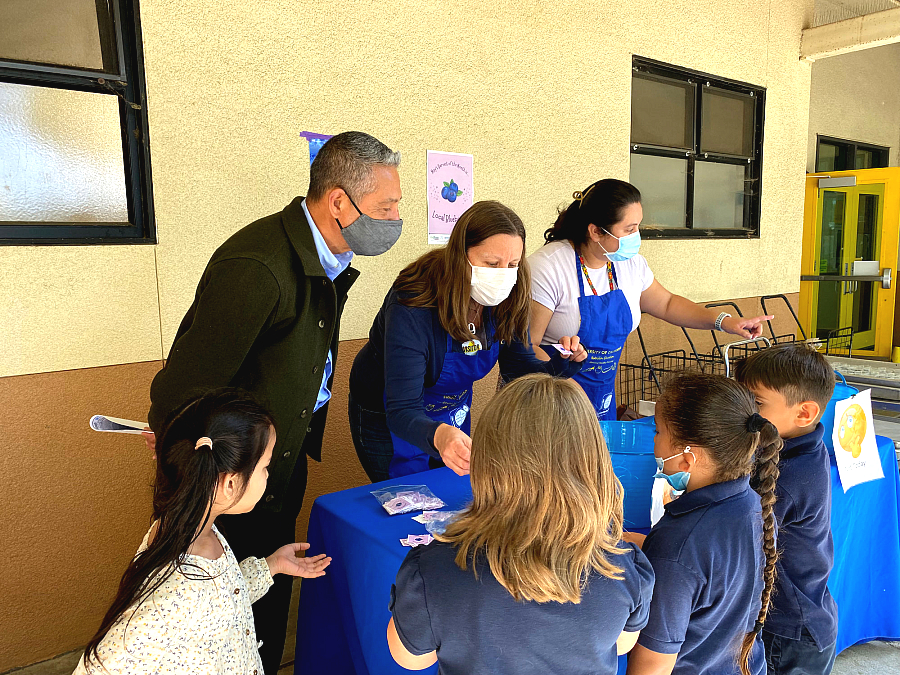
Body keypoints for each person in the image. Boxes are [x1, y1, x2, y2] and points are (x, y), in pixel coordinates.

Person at [144, 131, 402, 674]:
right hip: (228, 480)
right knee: (221, 619)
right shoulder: (259, 265)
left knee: (265, 597)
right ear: (339, 201)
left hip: (273, 468)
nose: (396, 217)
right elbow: (184, 387)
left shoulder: (324, 258)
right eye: (387, 206)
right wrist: (209, 475)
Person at [386, 373, 655, 674]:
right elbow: (623, 644)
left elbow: (410, 658)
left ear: (487, 463)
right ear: (595, 463)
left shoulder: (433, 568)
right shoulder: (622, 566)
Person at [75, 390, 331, 674]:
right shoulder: (175, 592)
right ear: (230, 483)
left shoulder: (193, 529)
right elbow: (105, 663)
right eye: (265, 467)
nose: (268, 475)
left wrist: (272, 565)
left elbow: (219, 602)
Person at [349, 200, 586, 482]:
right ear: (460, 255)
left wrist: (562, 363)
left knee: (452, 493)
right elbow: (401, 410)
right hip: (390, 413)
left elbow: (518, 367)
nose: (503, 274)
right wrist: (439, 434)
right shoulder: (413, 303)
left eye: (512, 264)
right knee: (407, 501)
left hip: (450, 412)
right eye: (491, 263)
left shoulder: (509, 293)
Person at [528, 179, 773, 420]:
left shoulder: (629, 264)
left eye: (638, 226)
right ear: (595, 231)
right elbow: (525, 346)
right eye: (629, 229)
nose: (637, 236)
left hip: (600, 400)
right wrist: (565, 387)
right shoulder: (549, 267)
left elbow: (666, 303)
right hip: (547, 404)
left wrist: (724, 322)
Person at [626, 373, 782, 675]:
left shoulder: (678, 544)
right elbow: (714, 575)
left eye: (658, 432)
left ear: (687, 459)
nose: (654, 442)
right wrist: (649, 547)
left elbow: (652, 666)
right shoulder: (753, 503)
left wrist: (662, 553)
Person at [735, 345, 838, 675]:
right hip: (802, 617)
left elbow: (738, 537)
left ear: (804, 413)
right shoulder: (800, 447)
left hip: (789, 631)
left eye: (757, 403)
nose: (744, 412)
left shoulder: (793, 477)